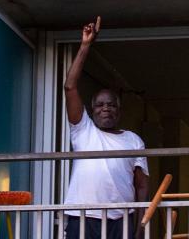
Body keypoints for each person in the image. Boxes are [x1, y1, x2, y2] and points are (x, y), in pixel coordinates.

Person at [63, 17, 148, 239]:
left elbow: (141, 187)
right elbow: (70, 87)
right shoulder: (83, 130)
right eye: (100, 105)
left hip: (121, 220)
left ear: (119, 111)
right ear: (92, 110)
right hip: (83, 216)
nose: (106, 109)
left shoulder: (133, 140)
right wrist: (85, 46)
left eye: (111, 105)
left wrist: (140, 227)